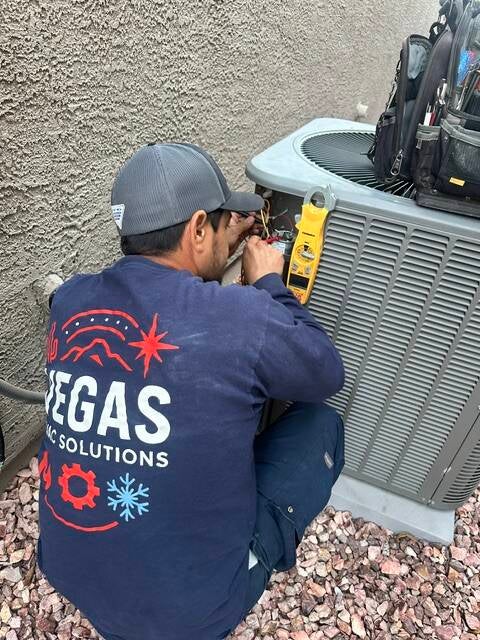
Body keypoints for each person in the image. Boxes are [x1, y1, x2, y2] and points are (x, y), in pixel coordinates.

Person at [37, 142, 345, 640]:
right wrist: (269, 283)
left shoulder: (71, 299)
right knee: (320, 423)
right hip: (192, 616)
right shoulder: (240, 318)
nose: (230, 233)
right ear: (198, 228)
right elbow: (326, 372)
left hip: (67, 569)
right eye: (223, 223)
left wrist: (224, 242)